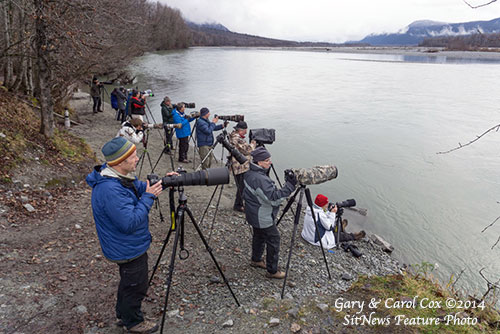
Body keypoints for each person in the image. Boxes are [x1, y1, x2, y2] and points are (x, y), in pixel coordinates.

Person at [86, 137, 174, 334]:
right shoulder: (110, 190)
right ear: (119, 162)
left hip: (124, 245)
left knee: (128, 281)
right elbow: (129, 223)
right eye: (133, 156)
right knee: (136, 285)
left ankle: (122, 313)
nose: (137, 159)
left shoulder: (116, 178)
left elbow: (138, 188)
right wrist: (149, 197)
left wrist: (164, 182)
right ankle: (133, 322)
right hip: (126, 247)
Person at [243, 147, 297, 279]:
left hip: (253, 213)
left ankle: (256, 260)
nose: (270, 163)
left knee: (259, 236)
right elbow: (274, 199)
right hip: (262, 216)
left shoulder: (249, 173)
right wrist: (290, 186)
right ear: (259, 162)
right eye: (267, 160)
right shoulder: (260, 179)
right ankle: (272, 271)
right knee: (274, 239)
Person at [301, 194, 366, 249]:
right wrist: (333, 213)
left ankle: (340, 228)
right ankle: (354, 236)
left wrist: (329, 211)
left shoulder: (311, 209)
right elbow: (330, 227)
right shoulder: (320, 215)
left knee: (330, 227)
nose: (327, 205)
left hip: (307, 234)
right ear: (322, 205)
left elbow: (322, 217)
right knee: (340, 236)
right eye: (326, 204)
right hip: (317, 240)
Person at [229, 121, 256, 212]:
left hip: (237, 165)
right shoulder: (237, 138)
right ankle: (238, 205)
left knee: (241, 186)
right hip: (239, 166)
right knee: (241, 187)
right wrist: (253, 144)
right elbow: (247, 150)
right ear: (242, 130)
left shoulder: (234, 135)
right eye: (245, 130)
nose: (246, 132)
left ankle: (239, 204)